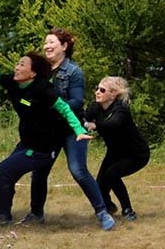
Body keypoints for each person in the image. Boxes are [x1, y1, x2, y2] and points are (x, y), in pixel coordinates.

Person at [0, 53, 111, 228]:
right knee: (8, 173)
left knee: (5, 169)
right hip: (28, 141)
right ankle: (5, 214)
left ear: (33, 73)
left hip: (43, 146)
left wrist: (79, 130)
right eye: (17, 64)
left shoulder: (44, 89)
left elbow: (65, 108)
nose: (16, 68)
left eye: (22, 65)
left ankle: (102, 212)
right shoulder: (12, 81)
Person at [28, 27, 110, 226]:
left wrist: (53, 106)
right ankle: (36, 213)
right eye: (45, 42)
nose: (46, 46)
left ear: (64, 46)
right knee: (39, 169)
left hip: (72, 129)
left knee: (78, 170)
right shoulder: (39, 72)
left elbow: (77, 102)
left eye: (51, 43)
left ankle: (102, 212)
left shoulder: (74, 72)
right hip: (48, 130)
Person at [84, 77, 150, 221]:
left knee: (112, 174)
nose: (97, 92)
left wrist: (95, 125)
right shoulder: (95, 107)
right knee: (100, 184)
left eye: (102, 90)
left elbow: (114, 124)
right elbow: (83, 117)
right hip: (115, 152)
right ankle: (108, 207)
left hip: (136, 154)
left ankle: (128, 210)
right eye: (97, 88)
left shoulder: (121, 109)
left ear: (113, 94)